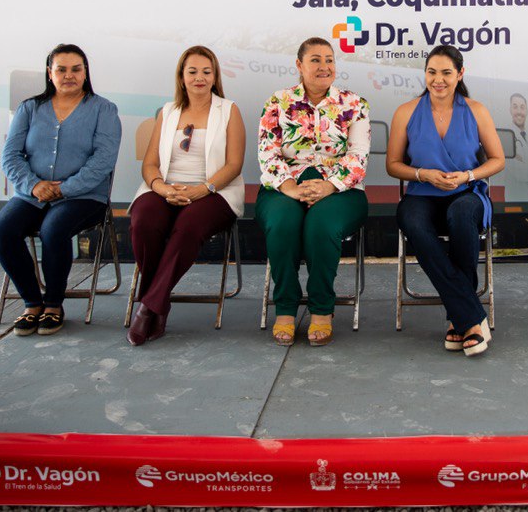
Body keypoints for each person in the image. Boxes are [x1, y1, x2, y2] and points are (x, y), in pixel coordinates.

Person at [0, 43, 121, 336]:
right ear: (49, 73)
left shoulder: (103, 109)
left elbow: (103, 160)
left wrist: (65, 189)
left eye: (76, 69)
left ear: (85, 72)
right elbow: (10, 156)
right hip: (33, 195)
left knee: (53, 229)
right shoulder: (29, 108)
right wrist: (34, 185)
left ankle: (53, 304)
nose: (69, 75)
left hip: (84, 197)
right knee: (2, 230)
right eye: (61, 69)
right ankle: (32, 304)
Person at [386, 45, 506, 356]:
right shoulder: (406, 112)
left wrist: (467, 176)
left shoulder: (476, 110)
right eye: (432, 72)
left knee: (462, 215)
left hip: (467, 193)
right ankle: (470, 318)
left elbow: (497, 159)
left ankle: (459, 319)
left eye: (446, 73)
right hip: (421, 193)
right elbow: (393, 165)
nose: (438, 79)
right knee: (411, 220)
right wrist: (423, 174)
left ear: (460, 74)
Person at [127, 46, 245, 346]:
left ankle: (148, 306)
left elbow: (234, 165)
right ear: (181, 76)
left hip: (215, 191)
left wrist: (203, 189)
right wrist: (163, 188)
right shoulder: (168, 112)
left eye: (206, 71)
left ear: (215, 76)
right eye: (192, 71)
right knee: (143, 220)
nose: (199, 78)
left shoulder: (228, 110)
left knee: (188, 226)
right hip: (166, 188)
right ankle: (158, 303)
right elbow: (150, 164)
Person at [256, 38, 370, 347]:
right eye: (316, 60)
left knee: (322, 225)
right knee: (282, 223)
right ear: (299, 65)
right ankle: (285, 306)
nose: (324, 66)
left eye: (329, 60)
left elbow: (358, 157)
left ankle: (322, 307)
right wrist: (291, 188)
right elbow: (268, 154)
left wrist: (329, 186)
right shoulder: (278, 102)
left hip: (341, 188)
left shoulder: (354, 104)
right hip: (285, 185)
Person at [505, 92, 528, 202]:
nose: (519, 112)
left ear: (527, 111)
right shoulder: (507, 137)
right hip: (515, 197)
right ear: (510, 110)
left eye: (522, 107)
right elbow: (519, 173)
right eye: (515, 107)